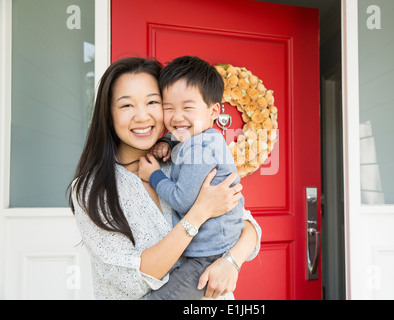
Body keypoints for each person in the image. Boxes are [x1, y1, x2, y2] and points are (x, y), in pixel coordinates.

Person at [69, 57, 261, 300]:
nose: (142, 117)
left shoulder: (180, 158)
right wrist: (199, 213)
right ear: (109, 114)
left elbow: (246, 224)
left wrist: (232, 262)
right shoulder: (93, 189)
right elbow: (130, 280)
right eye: (127, 106)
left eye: (152, 102)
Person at [138, 56, 245, 300]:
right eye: (168, 108)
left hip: (208, 254)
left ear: (214, 111)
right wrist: (167, 140)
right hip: (217, 243)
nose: (176, 117)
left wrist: (153, 175)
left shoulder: (200, 150)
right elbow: (181, 131)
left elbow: (183, 200)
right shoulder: (200, 137)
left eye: (187, 107)